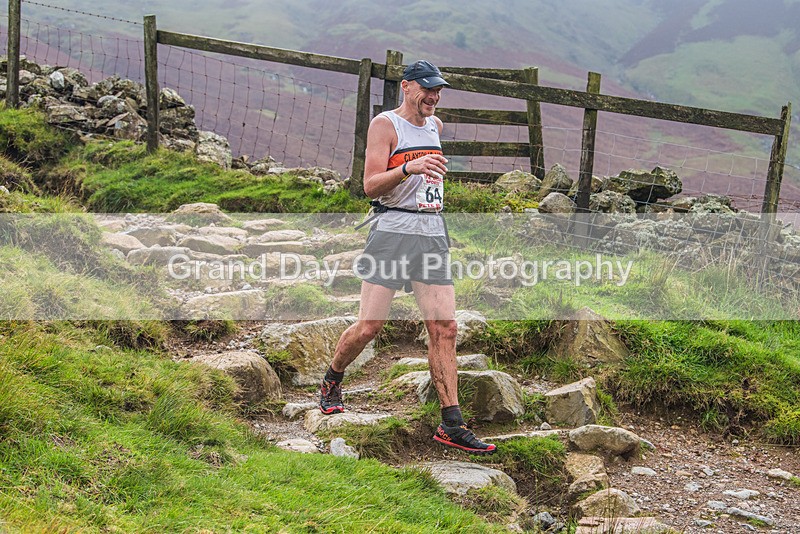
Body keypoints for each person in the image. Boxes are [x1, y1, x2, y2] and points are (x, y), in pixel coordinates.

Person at [317, 60, 496, 455]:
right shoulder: (386, 125)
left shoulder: (436, 126)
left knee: (445, 327)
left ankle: (451, 423)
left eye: (439, 91)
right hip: (392, 232)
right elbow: (368, 186)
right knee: (369, 326)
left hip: (431, 233)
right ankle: (332, 377)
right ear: (406, 87)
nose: (433, 97)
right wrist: (408, 167)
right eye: (427, 89)